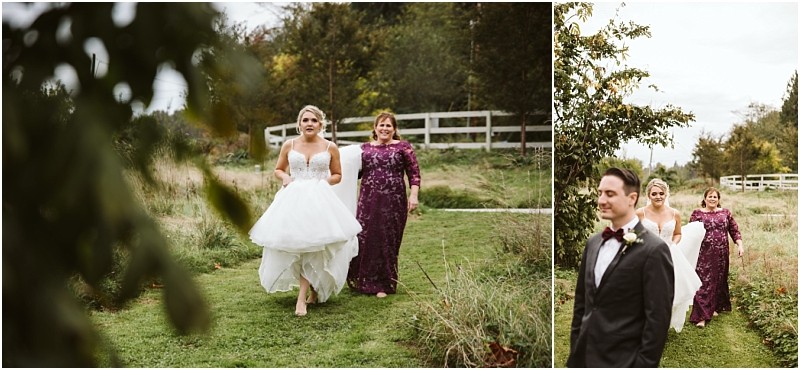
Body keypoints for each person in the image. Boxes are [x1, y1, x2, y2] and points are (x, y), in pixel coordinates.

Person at [249, 105, 361, 316]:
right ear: (299, 124)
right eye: (305, 120)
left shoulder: (330, 147)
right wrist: (286, 178)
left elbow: (337, 175)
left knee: (314, 245)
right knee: (297, 245)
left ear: (320, 124)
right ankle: (311, 290)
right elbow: (278, 169)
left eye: (314, 120)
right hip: (293, 198)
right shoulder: (289, 145)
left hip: (319, 199)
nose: (309, 124)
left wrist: (323, 183)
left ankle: (302, 298)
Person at [567, 167, 673, 368]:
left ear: (632, 198)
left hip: (623, 360)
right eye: (599, 193)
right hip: (583, 357)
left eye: (610, 194)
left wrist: (642, 364)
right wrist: (575, 349)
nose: (601, 200)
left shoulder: (654, 250)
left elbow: (657, 319)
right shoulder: (593, 243)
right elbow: (582, 304)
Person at [347, 112, 421, 298]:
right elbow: (352, 173)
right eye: (381, 125)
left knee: (387, 239)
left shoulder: (403, 147)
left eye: (388, 126)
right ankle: (361, 280)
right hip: (367, 201)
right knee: (364, 239)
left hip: (393, 202)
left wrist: (413, 195)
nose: (385, 129)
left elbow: (414, 174)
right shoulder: (364, 149)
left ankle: (383, 285)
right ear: (375, 128)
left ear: (394, 129)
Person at [635, 178, 702, 333]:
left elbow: (678, 234)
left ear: (666, 194)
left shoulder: (674, 214)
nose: (658, 196)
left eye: (661, 193)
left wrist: (672, 245)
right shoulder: (640, 213)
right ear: (648, 195)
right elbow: (633, 233)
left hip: (668, 257)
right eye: (654, 194)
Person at [688, 187, 743, 328]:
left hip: (722, 253)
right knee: (704, 282)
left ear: (718, 199)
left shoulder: (725, 213)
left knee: (719, 280)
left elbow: (734, 230)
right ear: (705, 198)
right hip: (704, 254)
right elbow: (691, 233)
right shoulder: (697, 213)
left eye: (715, 197)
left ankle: (713, 308)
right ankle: (701, 316)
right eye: (710, 196)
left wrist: (740, 245)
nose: (712, 199)